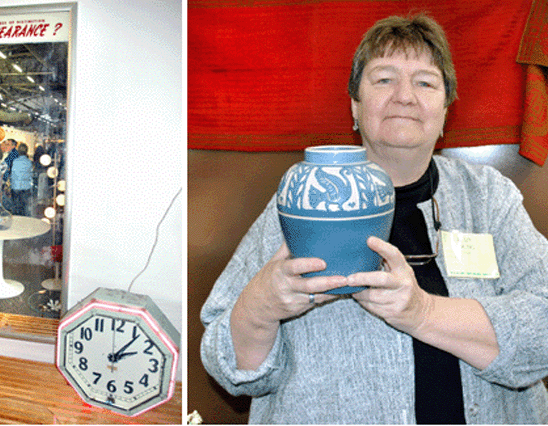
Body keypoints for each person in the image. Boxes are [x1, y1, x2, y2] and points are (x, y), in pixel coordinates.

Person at [200, 14, 548, 424]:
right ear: (355, 105)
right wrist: (260, 306)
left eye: (425, 82)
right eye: (384, 79)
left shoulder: (488, 196)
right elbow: (226, 364)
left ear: (445, 111)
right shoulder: (303, 197)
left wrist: (421, 312)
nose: (404, 96)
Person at [9, 143, 33, 216]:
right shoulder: (29, 162)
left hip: (15, 186)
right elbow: (30, 175)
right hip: (26, 187)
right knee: (24, 207)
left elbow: (13, 174)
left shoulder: (15, 161)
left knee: (16, 207)